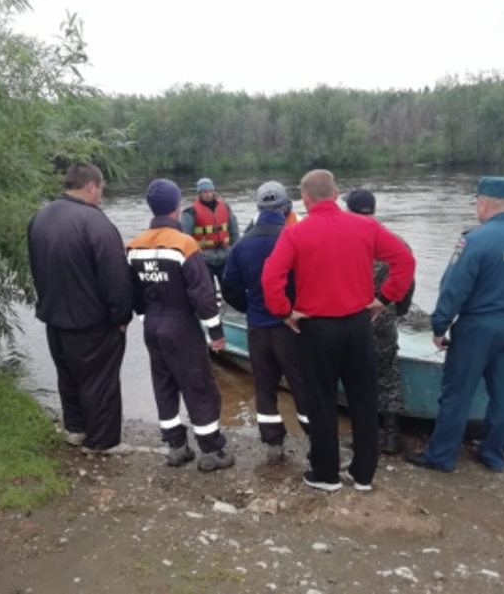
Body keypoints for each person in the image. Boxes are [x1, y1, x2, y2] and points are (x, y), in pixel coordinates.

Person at [262, 170, 416, 492]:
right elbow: (405, 259)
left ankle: (326, 474)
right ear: (336, 193)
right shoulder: (366, 226)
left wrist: (285, 312)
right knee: (364, 397)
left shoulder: (295, 234)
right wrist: (386, 297)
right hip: (359, 325)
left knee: (321, 400)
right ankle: (363, 475)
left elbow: (270, 278)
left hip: (317, 329)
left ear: (304, 199)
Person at [405, 177, 504, 473]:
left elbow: (454, 287)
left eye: (476, 203)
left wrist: (439, 325)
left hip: (480, 327)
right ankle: (494, 455)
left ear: (483, 203)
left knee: (457, 392)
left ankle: (441, 457)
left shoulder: (475, 240)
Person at [127, 178, 235, 472]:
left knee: (164, 385)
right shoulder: (185, 244)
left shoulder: (134, 245)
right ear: (176, 208)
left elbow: (132, 292)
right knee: (198, 385)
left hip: (152, 325)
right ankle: (211, 450)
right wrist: (216, 333)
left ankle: (176, 447)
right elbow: (202, 295)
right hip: (181, 325)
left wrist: (145, 317)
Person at [27, 163, 133, 454]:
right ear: (91, 186)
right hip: (91, 322)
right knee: (100, 382)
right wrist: (122, 316)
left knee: (68, 377)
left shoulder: (40, 216)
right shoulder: (95, 222)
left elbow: (36, 267)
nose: (101, 195)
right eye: (101, 189)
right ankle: (103, 442)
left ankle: (75, 429)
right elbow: (115, 276)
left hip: (54, 318)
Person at [221, 181, 309, 463]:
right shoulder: (295, 239)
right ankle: (315, 440)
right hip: (291, 326)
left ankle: (273, 443)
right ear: (287, 209)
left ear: (258, 209)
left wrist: (251, 308)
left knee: (265, 385)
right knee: (302, 384)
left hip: (258, 327)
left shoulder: (241, 245)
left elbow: (230, 287)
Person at [345, 189, 415, 454]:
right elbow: (407, 281)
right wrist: (397, 309)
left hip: (355, 319)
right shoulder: (394, 241)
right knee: (388, 375)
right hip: (385, 317)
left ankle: (366, 435)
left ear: (350, 210)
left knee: (359, 379)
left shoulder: (347, 240)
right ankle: (392, 436)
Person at [181, 177, 240, 284]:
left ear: (213, 191)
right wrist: (197, 257)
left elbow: (234, 232)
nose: (208, 195)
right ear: (199, 193)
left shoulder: (225, 207)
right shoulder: (191, 212)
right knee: (207, 292)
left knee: (231, 289)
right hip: (204, 259)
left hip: (225, 256)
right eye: (204, 192)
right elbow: (184, 238)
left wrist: (233, 251)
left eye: (210, 191)